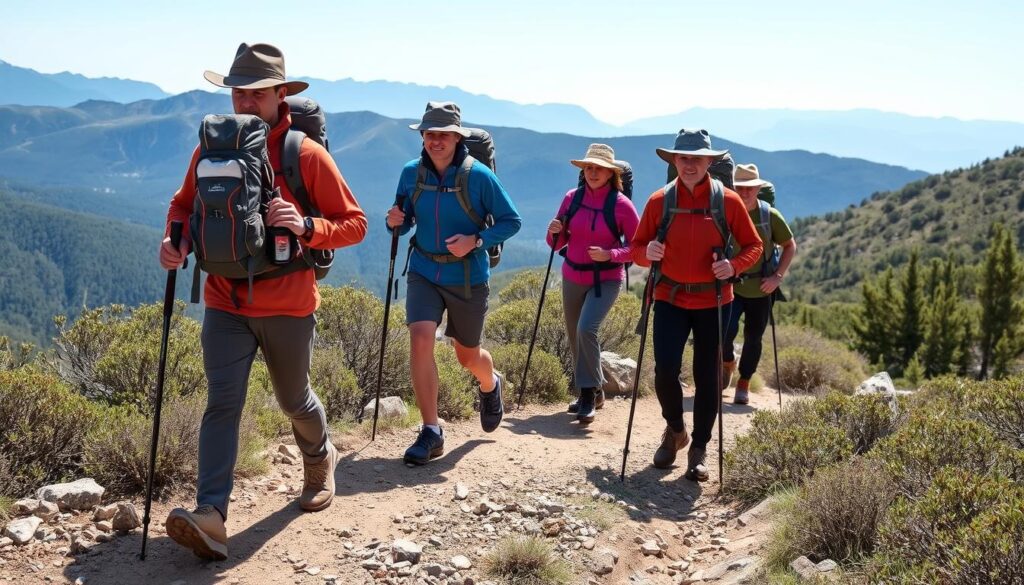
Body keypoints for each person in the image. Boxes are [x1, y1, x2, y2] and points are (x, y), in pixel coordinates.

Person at [158, 43, 367, 559]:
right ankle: (212, 515)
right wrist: (174, 241)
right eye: (238, 92)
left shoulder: (304, 154)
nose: (245, 102)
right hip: (224, 300)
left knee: (294, 399)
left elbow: (356, 224)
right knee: (221, 404)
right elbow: (183, 206)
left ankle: (320, 457)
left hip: (288, 303)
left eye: (256, 93)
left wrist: (308, 225)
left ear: (280, 95)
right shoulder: (210, 149)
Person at [386, 101, 521, 465]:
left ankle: (490, 383)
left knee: (466, 355)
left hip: (468, 276)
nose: (435, 141)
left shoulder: (479, 176)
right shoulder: (410, 173)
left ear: (457, 136)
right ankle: (431, 431)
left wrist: (475, 242)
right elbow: (404, 221)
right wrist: (395, 220)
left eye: (443, 134)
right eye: (430, 134)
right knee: (420, 338)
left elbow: (512, 221)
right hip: (424, 271)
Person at [630, 129, 762, 482]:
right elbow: (636, 248)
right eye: (684, 158)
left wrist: (733, 266)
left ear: (709, 162)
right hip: (669, 297)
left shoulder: (728, 202)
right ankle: (675, 431)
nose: (690, 165)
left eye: (697, 159)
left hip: (714, 300)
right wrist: (647, 253)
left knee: (708, 379)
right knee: (664, 372)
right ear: (674, 160)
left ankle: (699, 448)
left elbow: (754, 246)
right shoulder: (659, 201)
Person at [547, 143, 639, 423]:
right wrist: (554, 232)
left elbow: (637, 248)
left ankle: (587, 394)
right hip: (573, 275)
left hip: (606, 279)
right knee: (575, 335)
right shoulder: (571, 198)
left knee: (587, 329)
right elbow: (557, 243)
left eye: (599, 168)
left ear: (611, 173)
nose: (593, 172)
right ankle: (595, 392)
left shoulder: (622, 205)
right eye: (589, 167)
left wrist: (610, 254)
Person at [722, 164, 797, 404]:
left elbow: (789, 245)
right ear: (734, 187)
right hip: (730, 285)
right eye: (741, 188)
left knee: (754, 338)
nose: (745, 193)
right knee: (723, 332)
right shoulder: (724, 212)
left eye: (750, 189)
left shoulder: (769, 216)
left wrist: (778, 277)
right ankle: (727, 362)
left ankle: (743, 382)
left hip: (761, 288)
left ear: (758, 189)